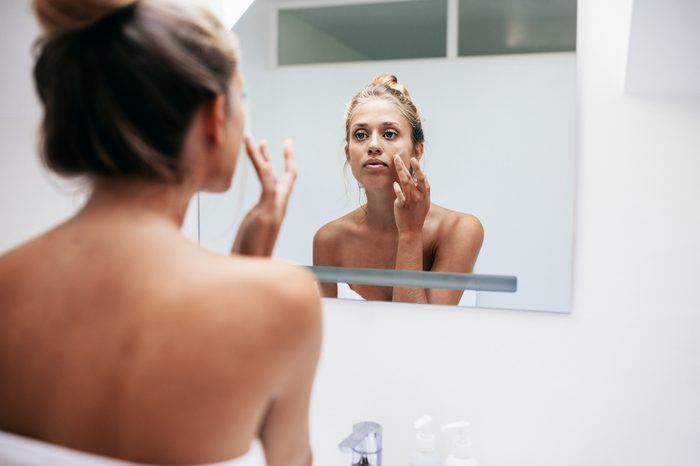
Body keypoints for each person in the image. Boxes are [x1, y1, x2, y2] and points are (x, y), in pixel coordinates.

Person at [0, 1, 321, 466]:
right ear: (214, 117)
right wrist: (252, 272)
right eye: (241, 98)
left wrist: (247, 259)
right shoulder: (286, 300)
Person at [313, 75, 484, 305]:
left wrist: (410, 234)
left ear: (417, 150)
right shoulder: (329, 240)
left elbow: (417, 334)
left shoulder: (459, 230)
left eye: (389, 134)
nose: (373, 145)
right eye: (360, 135)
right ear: (348, 154)